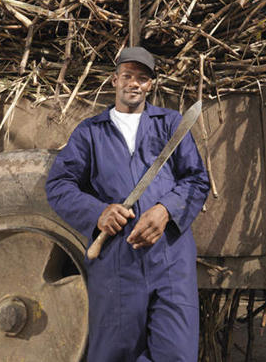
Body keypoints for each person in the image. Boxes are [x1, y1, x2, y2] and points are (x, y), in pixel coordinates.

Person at [45, 46, 209, 362]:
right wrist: (98, 213)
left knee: (176, 353)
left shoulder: (171, 124)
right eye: (128, 76)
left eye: (142, 78)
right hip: (115, 261)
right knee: (113, 354)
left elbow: (196, 180)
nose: (134, 84)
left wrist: (165, 211)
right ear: (115, 80)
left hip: (170, 258)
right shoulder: (89, 133)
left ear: (150, 86)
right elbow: (59, 185)